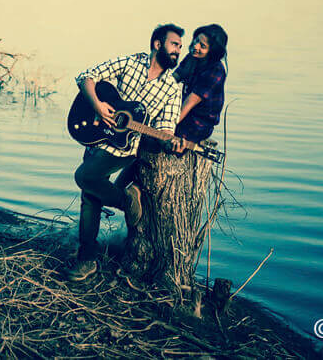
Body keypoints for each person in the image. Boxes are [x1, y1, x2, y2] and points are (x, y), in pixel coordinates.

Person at [64, 24, 185, 282]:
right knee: (90, 196)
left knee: (85, 179)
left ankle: (92, 251)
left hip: (124, 148)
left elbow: (165, 128)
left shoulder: (172, 88)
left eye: (180, 47)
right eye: (174, 44)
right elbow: (86, 76)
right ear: (157, 44)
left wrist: (169, 142)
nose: (178, 50)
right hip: (97, 138)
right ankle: (91, 253)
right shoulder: (130, 63)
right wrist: (97, 105)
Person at [170, 24, 228, 154]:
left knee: (166, 141)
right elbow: (172, 80)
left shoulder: (216, 70)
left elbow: (189, 103)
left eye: (202, 46)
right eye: (196, 41)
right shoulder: (192, 58)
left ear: (212, 51)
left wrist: (169, 127)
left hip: (199, 122)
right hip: (183, 111)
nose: (195, 46)